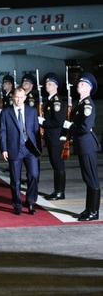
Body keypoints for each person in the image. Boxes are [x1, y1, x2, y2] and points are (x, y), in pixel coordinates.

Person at [62, 73, 100, 221]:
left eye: (83, 84)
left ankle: (94, 212)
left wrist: (70, 126)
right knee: (87, 178)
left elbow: (85, 127)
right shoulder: (81, 104)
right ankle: (88, 209)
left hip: (87, 145)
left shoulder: (88, 105)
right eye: (79, 83)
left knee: (91, 179)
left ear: (89, 88)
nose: (79, 85)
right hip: (83, 145)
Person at [0, 87, 41, 215]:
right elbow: (2, 131)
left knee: (34, 175)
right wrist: (4, 148)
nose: (19, 100)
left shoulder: (32, 111)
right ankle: (17, 203)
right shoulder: (6, 112)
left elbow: (36, 131)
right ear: (12, 97)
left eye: (21, 97)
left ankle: (30, 201)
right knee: (15, 179)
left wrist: (38, 149)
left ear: (25, 98)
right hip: (14, 148)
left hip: (29, 148)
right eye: (16, 97)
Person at [39, 73, 67, 201]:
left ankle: (60, 192)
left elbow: (58, 122)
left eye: (50, 83)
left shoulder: (57, 102)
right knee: (55, 165)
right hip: (51, 137)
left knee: (58, 165)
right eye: (46, 83)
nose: (47, 85)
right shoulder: (50, 100)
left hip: (56, 138)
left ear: (56, 86)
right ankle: (57, 190)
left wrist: (43, 122)